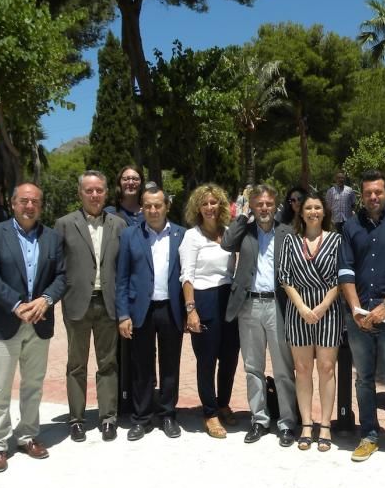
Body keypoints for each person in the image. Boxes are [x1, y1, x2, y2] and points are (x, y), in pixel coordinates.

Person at [0, 183, 66, 473]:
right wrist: (17, 305)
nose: (30, 206)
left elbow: (62, 277)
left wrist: (46, 299)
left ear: (41, 206)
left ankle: (27, 435)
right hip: (4, 321)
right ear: (13, 204)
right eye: (24, 201)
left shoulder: (52, 238)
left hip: (38, 322)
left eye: (35, 202)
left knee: (33, 385)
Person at [339, 170, 385, 466]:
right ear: (362, 195)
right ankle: (369, 434)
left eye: (378, 192)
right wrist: (358, 310)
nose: (373, 197)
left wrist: (384, 306)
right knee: (364, 379)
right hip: (358, 318)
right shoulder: (350, 227)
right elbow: (345, 270)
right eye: (368, 192)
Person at [222, 184, 298, 447]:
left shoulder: (287, 232)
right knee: (253, 367)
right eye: (259, 204)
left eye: (268, 204)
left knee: (283, 369)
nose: (264, 208)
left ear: (274, 205)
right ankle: (259, 419)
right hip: (249, 306)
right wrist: (242, 216)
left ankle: (287, 422)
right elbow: (226, 243)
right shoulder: (245, 231)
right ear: (253, 206)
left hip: (278, 305)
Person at [54, 170, 126, 442]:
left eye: (99, 190)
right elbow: (56, 266)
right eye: (89, 190)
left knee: (108, 364)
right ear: (80, 193)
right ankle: (76, 419)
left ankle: (108, 418)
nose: (94, 195)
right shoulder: (63, 224)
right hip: (77, 304)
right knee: (76, 364)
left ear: (106, 193)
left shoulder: (118, 225)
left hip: (108, 304)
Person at [116, 185, 186, 440]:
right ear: (142, 208)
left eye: (158, 205)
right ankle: (141, 417)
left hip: (171, 309)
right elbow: (121, 278)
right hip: (139, 311)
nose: (153, 210)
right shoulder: (129, 236)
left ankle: (168, 414)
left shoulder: (181, 235)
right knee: (141, 366)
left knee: (170, 365)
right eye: (148, 206)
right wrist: (123, 314)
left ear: (166, 206)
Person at [279, 190, 343, 452]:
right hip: (299, 311)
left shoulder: (337, 241)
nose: (313, 212)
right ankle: (307, 423)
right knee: (302, 370)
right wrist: (303, 307)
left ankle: (325, 424)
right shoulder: (291, 241)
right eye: (308, 208)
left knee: (327, 368)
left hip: (329, 310)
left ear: (324, 212)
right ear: (301, 213)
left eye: (318, 208)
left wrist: (323, 305)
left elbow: (341, 277)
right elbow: (285, 277)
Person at [179, 184, 239, 439]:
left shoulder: (228, 234)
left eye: (214, 202)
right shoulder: (192, 237)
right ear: (198, 207)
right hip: (203, 300)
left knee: (229, 357)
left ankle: (223, 403)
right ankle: (210, 413)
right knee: (207, 360)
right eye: (205, 203)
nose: (210, 207)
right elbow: (187, 276)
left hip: (229, 299)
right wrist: (191, 310)